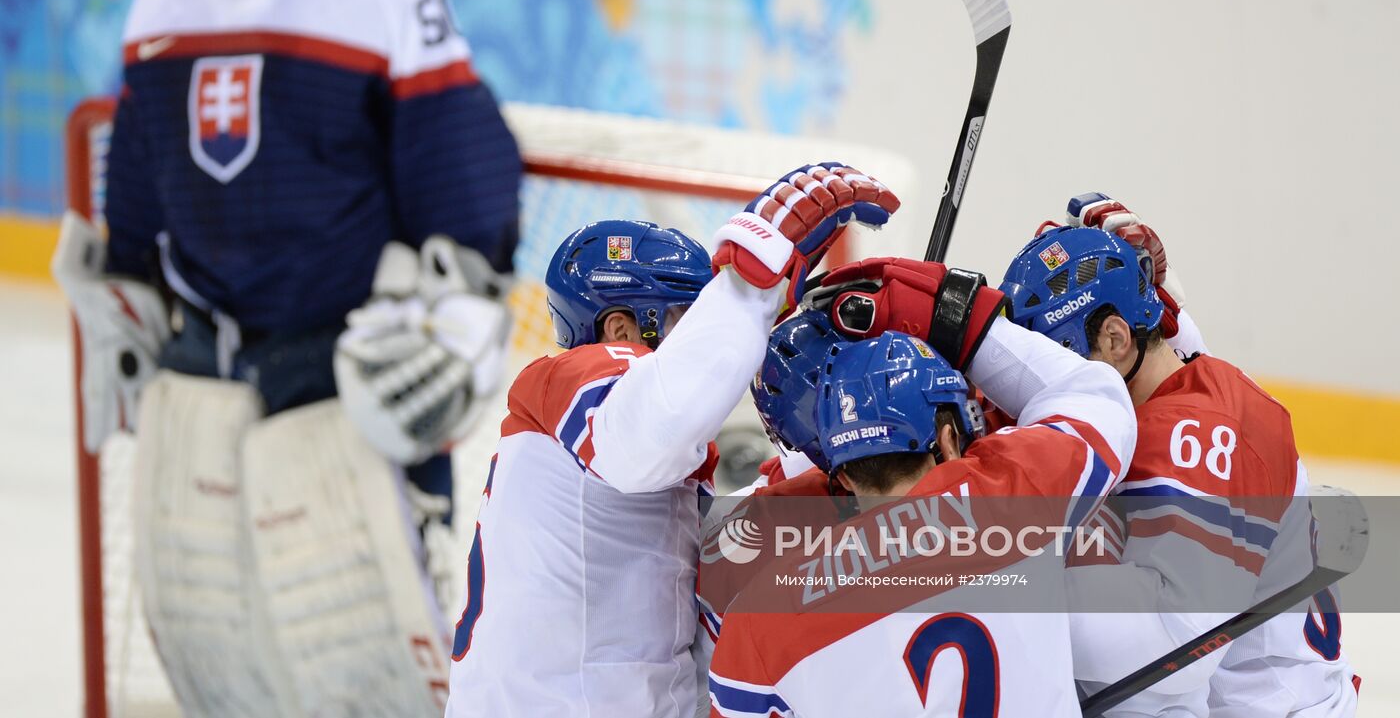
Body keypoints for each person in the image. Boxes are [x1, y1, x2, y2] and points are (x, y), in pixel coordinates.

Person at [52, 0, 522, 715]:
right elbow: (143, 172)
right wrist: (127, 290)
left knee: (358, 623)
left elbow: (448, 147)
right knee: (220, 629)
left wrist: (467, 282)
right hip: (247, 344)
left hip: (316, 346)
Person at [444, 164, 899, 717]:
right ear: (620, 330)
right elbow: (651, 432)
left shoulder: (629, 468)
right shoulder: (569, 381)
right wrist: (749, 279)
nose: (704, 329)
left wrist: (833, 457)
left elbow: (721, 594)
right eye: (689, 313)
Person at [707, 257, 1137, 717]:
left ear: (841, 473)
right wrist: (962, 319)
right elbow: (1096, 395)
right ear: (950, 438)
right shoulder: (1018, 493)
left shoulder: (761, 613)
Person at [999, 195, 1358, 718]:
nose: (1050, 375)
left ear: (1116, 339)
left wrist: (984, 583)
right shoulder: (1177, 388)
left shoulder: (1195, 435)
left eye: (1058, 351)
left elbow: (1173, 649)